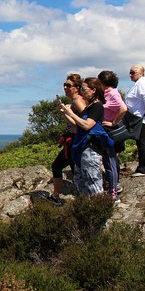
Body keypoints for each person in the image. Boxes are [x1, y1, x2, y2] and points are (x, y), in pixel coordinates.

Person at [58, 78, 112, 197]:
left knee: (92, 181)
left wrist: (71, 113)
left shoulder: (97, 106)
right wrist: (65, 113)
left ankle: (98, 208)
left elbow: (87, 125)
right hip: (82, 148)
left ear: (93, 90)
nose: (81, 92)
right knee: (80, 181)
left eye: (84, 89)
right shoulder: (90, 106)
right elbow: (77, 126)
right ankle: (86, 207)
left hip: (90, 148)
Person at [49, 74, 87, 205]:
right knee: (59, 166)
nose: (65, 88)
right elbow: (73, 123)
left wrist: (67, 112)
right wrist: (63, 112)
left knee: (74, 170)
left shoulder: (78, 101)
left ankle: (81, 200)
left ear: (77, 88)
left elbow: (81, 123)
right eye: (64, 85)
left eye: (68, 85)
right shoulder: (75, 100)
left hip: (76, 140)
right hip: (72, 140)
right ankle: (57, 196)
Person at [98, 70, 127, 201]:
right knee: (108, 160)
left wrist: (113, 122)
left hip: (110, 132)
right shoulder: (106, 93)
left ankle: (113, 192)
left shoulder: (113, 93)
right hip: (104, 130)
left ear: (103, 82)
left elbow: (123, 108)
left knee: (110, 161)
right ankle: (113, 186)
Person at [126, 64, 145, 176]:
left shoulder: (142, 83)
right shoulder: (140, 84)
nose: (130, 75)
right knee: (140, 141)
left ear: (141, 73)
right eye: (130, 72)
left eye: (133, 72)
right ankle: (144, 166)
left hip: (138, 118)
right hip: (136, 117)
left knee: (141, 141)